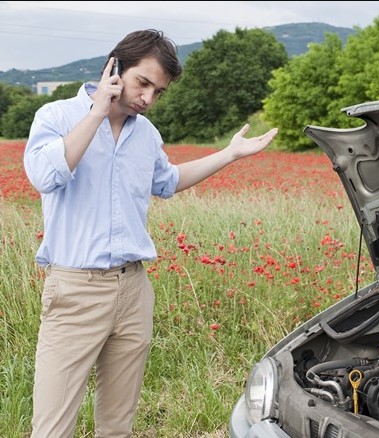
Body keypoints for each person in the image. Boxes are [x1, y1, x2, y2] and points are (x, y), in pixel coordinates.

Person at [23, 29, 278, 437]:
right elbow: (44, 175)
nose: (148, 98)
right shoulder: (56, 117)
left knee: (118, 425)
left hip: (133, 288)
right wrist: (95, 114)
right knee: (52, 427)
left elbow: (169, 181)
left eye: (158, 92)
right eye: (143, 83)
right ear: (115, 67)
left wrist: (230, 154)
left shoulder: (146, 134)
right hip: (75, 288)